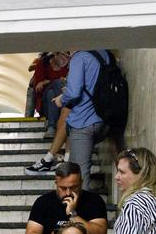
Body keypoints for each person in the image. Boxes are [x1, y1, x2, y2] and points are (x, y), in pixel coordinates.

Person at [26, 49, 108, 186]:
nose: (67, 56)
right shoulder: (104, 54)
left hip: (84, 122)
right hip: (103, 117)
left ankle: (50, 157)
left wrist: (62, 99)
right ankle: (61, 157)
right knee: (66, 110)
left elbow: (74, 92)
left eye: (68, 53)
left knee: (81, 174)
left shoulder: (79, 58)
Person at [32, 51, 71, 139]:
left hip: (56, 102)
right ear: (55, 54)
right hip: (45, 104)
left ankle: (51, 127)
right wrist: (57, 82)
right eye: (63, 56)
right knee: (57, 83)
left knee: (51, 93)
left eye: (68, 57)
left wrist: (46, 81)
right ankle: (67, 111)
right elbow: (38, 89)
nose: (66, 60)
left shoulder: (68, 68)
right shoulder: (43, 64)